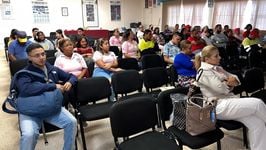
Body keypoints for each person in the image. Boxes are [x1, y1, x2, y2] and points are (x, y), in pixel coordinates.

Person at [195, 45, 266, 150]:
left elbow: (236, 79)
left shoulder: (218, 68)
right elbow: (221, 89)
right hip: (217, 107)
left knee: (257, 123)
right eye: (216, 56)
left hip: (230, 101)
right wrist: (229, 82)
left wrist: (229, 82)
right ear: (207, 59)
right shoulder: (203, 72)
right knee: (258, 103)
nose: (220, 57)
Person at [16, 43, 77, 150]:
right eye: (37, 55)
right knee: (29, 134)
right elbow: (25, 89)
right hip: (30, 110)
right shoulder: (24, 73)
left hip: (51, 106)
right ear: (29, 57)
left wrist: (70, 82)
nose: (42, 57)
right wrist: (52, 86)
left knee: (72, 122)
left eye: (43, 54)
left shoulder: (52, 69)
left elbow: (72, 76)